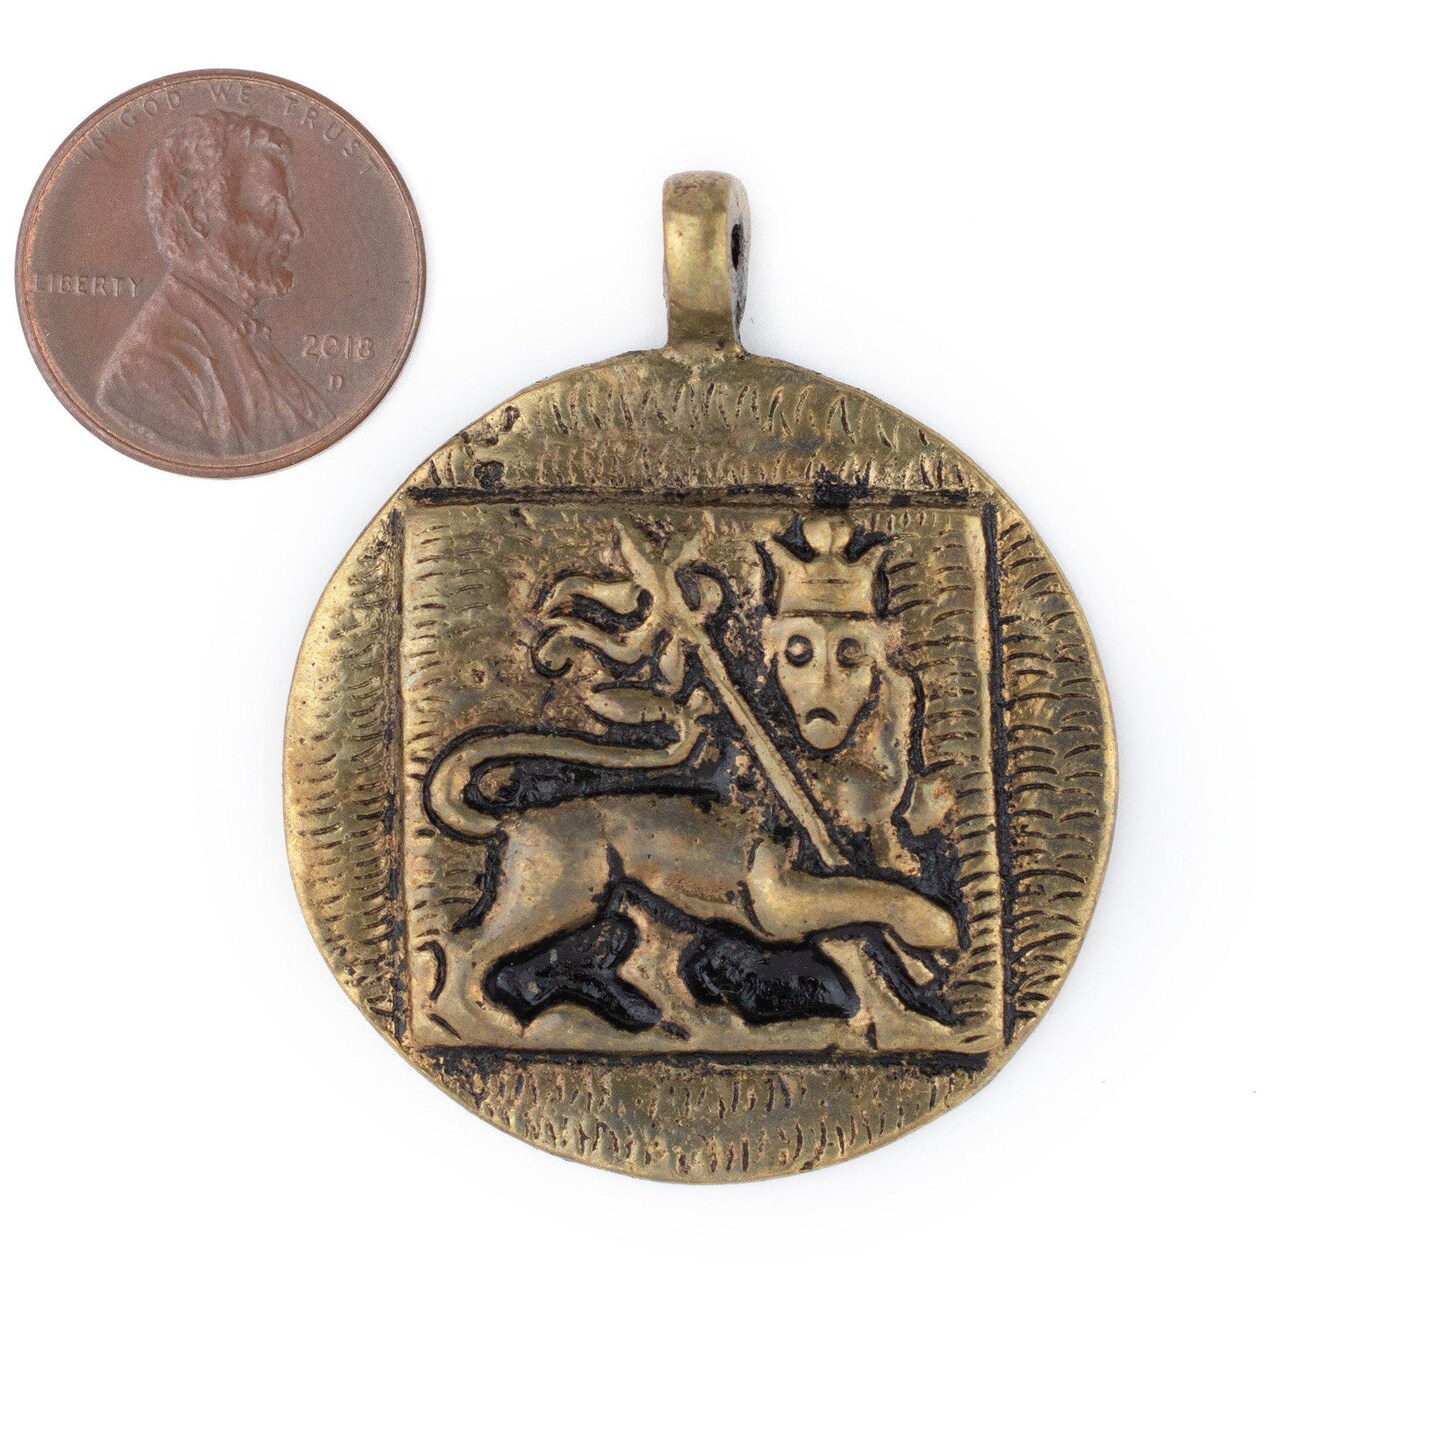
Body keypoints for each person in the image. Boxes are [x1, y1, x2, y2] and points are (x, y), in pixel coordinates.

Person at [97, 110, 332, 456]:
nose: (293, 229)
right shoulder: (148, 374)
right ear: (198, 213)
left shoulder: (239, 332)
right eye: (270, 207)